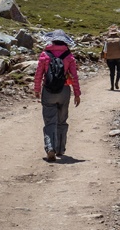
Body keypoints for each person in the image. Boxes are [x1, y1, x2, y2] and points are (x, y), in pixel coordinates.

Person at [34, 30, 81, 162]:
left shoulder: (45, 55)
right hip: (64, 91)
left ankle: (50, 148)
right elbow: (74, 76)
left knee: (50, 121)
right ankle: (60, 149)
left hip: (48, 91)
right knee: (62, 121)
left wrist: (37, 89)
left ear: (52, 40)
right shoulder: (69, 56)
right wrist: (77, 93)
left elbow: (39, 74)